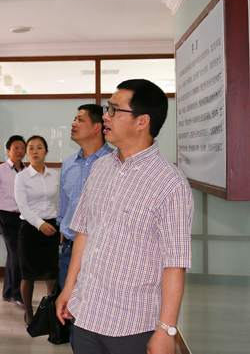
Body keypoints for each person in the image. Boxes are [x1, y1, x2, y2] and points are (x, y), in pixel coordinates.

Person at [56, 79, 194, 354]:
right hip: (86, 314)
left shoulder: (170, 183)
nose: (105, 116)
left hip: (134, 325)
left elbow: (174, 263)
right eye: (107, 109)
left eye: (114, 110)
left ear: (142, 121)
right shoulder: (101, 168)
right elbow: (84, 231)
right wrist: (69, 288)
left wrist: (166, 330)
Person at [57, 104, 113, 346]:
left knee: (100, 315)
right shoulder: (69, 164)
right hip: (70, 251)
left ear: (97, 127)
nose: (74, 123)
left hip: (102, 252)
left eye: (80, 119)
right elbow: (63, 212)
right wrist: (62, 248)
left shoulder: (115, 163)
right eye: (74, 118)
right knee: (71, 313)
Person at [14, 135, 60, 327]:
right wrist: (40, 224)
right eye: (31, 148)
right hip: (30, 230)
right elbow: (23, 207)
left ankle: (50, 313)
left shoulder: (55, 175)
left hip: (52, 228)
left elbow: (59, 202)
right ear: (27, 153)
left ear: (46, 152)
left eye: (39, 147)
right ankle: (29, 313)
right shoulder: (22, 177)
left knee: (52, 275)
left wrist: (59, 226)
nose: (35, 151)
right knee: (28, 275)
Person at [0, 135, 26, 308]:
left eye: (22, 148)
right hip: (6, 217)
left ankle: (8, 291)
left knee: (13, 254)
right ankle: (18, 294)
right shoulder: (0, 170)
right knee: (18, 254)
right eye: (16, 148)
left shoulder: (27, 171)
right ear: (8, 150)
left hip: (23, 218)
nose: (20, 151)